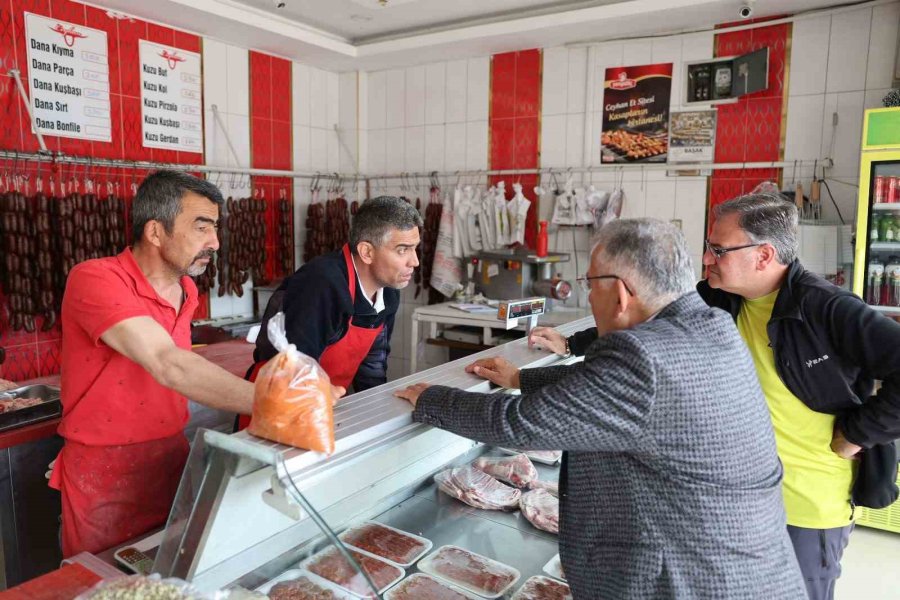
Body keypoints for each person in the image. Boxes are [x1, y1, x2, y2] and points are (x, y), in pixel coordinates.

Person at [395, 218, 806, 599]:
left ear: (622, 292)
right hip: (751, 571)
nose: (589, 296)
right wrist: (521, 379)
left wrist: (430, 397)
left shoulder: (641, 356)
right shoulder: (711, 327)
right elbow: (616, 392)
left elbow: (519, 424)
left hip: (683, 581)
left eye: (590, 284)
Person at [531, 194, 900, 600]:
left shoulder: (827, 308)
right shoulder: (718, 296)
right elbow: (650, 318)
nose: (706, 259)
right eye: (708, 247)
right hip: (733, 502)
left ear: (764, 255)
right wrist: (570, 345)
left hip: (805, 506)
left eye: (719, 250)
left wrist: (858, 433)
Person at [52, 171, 256, 557]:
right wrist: (275, 401)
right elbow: (168, 364)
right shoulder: (95, 278)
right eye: (201, 227)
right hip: (105, 474)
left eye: (215, 227)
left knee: (168, 578)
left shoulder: (187, 289)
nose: (214, 241)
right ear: (155, 231)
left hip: (171, 460)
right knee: (106, 586)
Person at [248, 196, 421, 394]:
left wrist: (379, 412)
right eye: (402, 250)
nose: (414, 261)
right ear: (367, 252)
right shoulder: (321, 284)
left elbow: (373, 364)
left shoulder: (388, 291)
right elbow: (294, 372)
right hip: (276, 405)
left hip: (326, 405)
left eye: (415, 248)